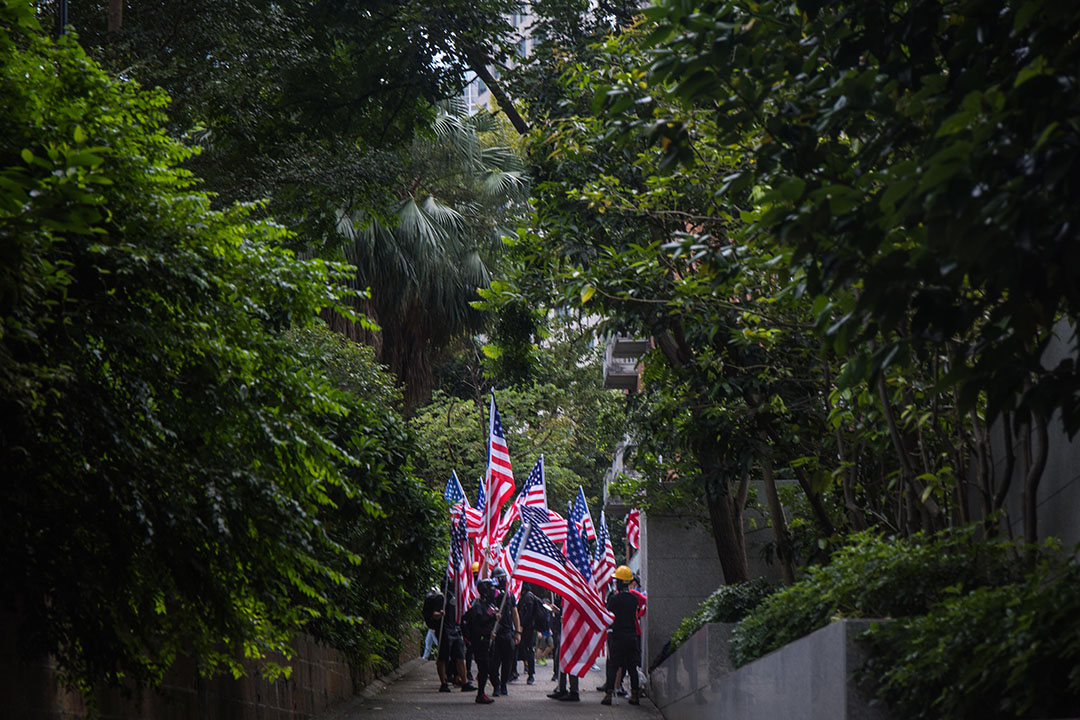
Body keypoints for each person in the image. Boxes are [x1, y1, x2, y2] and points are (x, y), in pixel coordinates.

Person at [601, 565, 646, 706]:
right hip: (632, 636)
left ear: (620, 582)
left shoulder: (615, 599)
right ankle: (634, 695)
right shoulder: (633, 599)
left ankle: (608, 694)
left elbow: (608, 614)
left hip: (618, 636)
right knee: (632, 667)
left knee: (613, 666)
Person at [428, 573, 475, 694]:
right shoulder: (440, 598)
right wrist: (440, 614)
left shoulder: (454, 596)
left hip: (454, 629)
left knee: (460, 656)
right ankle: (443, 683)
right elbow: (434, 614)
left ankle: (464, 682)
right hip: (444, 630)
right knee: (443, 657)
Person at [462, 578, 499, 704]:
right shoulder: (477, 605)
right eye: (491, 588)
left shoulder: (489, 605)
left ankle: (482, 693)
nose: (494, 591)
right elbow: (479, 621)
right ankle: (480, 694)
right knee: (483, 668)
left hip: (487, 641)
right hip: (480, 642)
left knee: (486, 668)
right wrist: (492, 617)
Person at [489, 567, 521, 696]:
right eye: (498, 578)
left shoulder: (509, 594)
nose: (501, 580)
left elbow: (514, 613)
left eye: (502, 577)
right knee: (493, 662)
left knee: (508, 661)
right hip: (494, 632)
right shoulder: (490, 594)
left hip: (507, 632)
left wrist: (518, 632)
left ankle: (503, 685)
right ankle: (495, 685)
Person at [516, 585, 541, 684]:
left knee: (528, 649)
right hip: (527, 627)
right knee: (526, 649)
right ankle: (525, 671)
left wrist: (521, 625)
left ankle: (530, 673)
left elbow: (528, 614)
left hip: (527, 628)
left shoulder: (528, 597)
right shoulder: (527, 596)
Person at [464, 560, 480, 682]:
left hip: (478, 621)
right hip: (472, 620)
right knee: (471, 649)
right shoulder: (469, 586)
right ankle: (469, 671)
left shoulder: (476, 586)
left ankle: (473, 671)